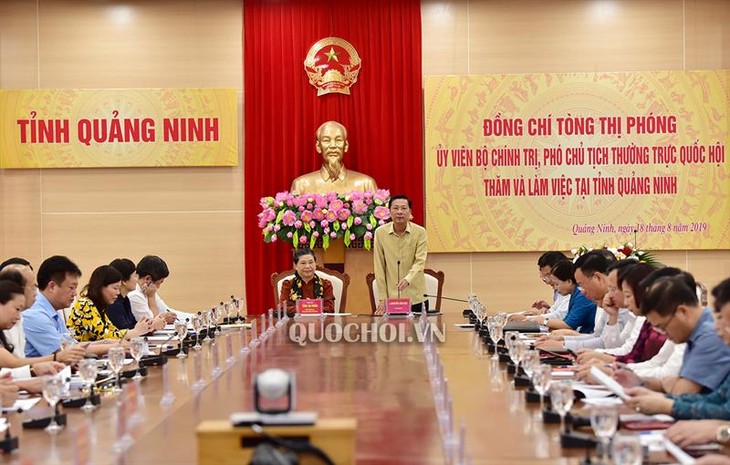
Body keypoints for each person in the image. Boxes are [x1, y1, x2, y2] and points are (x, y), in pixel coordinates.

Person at [626, 274, 730, 415]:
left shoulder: (709, 334)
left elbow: (683, 394)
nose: (718, 327)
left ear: (682, 312)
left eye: (663, 327)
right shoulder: (696, 332)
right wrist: (643, 384)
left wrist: (667, 400)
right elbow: (714, 400)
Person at [66, 265, 155, 342]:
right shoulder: (85, 304)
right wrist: (135, 331)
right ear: (100, 287)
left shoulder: (99, 306)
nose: (118, 293)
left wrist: (138, 329)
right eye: (115, 288)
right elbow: (104, 336)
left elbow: (113, 331)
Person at [373, 195, 428, 314]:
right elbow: (379, 267)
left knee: (417, 332)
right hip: (392, 299)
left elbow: (420, 261)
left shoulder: (420, 232)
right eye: (395, 208)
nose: (399, 212)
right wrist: (382, 298)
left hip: (415, 297)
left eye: (403, 208)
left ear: (410, 212)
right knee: (392, 332)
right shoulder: (380, 233)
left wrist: (408, 279)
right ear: (389, 212)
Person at [290, 121, 378, 194]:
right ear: (318, 147)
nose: (333, 146)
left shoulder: (366, 184)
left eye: (338, 140)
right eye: (326, 140)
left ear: (346, 146)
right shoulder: (301, 185)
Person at [540, 260, 596, 333]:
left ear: (569, 282)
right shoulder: (574, 294)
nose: (555, 288)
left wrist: (543, 321)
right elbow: (566, 321)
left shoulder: (581, 295)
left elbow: (568, 325)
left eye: (556, 284)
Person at [278, 248, 334, 316]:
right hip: (294, 324)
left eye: (311, 262)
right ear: (296, 266)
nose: (307, 266)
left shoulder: (325, 284)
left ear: (315, 264)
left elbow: (330, 309)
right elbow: (282, 308)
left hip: (320, 323)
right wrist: (308, 308)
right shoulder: (288, 284)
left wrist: (303, 308)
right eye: (303, 263)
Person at [128, 255, 179, 324]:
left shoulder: (149, 290)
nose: (158, 287)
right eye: (159, 283)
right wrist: (151, 297)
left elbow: (167, 310)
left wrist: (192, 317)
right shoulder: (134, 295)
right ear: (148, 279)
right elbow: (152, 324)